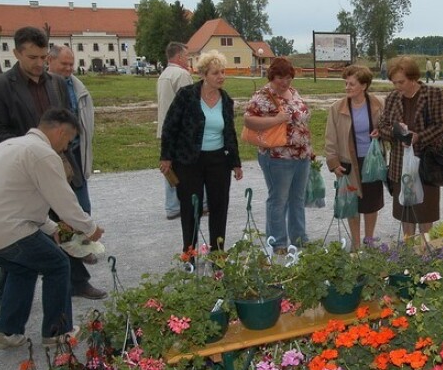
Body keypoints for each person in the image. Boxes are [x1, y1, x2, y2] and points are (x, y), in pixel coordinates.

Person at [0, 109, 104, 349]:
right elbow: (64, 201)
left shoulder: (7, 146)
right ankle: (57, 332)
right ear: (60, 131)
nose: (65, 147)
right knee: (58, 264)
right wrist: (90, 229)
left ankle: (7, 332)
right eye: (68, 141)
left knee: (24, 267)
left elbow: (19, 198)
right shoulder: (43, 154)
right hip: (5, 230)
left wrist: (51, 228)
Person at [0, 26, 62, 309]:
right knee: (19, 240)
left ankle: (72, 282)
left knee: (56, 228)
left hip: (52, 168)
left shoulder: (54, 83)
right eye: (32, 57)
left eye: (43, 56)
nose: (39, 63)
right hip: (21, 175)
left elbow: (61, 124)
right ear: (16, 53)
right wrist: (31, 150)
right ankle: (6, 298)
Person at [160, 50, 243, 252]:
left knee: (219, 207)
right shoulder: (186, 96)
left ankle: (218, 254)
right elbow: (170, 127)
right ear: (204, 74)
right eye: (216, 73)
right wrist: (166, 157)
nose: (221, 77)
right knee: (190, 210)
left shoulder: (226, 100)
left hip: (218, 161)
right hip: (189, 161)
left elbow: (230, 133)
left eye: (223, 72)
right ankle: (189, 253)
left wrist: (236, 163)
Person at [46, 45, 108, 299]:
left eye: (72, 64)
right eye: (64, 64)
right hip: (47, 160)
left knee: (80, 211)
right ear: (51, 61)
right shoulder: (43, 87)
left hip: (74, 157)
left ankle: (78, 273)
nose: (69, 69)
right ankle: (73, 279)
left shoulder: (76, 85)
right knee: (51, 222)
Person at [244, 57, 313, 254]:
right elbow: (248, 121)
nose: (284, 82)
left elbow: (302, 121)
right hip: (277, 156)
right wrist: (275, 120)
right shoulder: (262, 96)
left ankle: (299, 238)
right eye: (280, 78)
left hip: (301, 155)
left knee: (297, 199)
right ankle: (278, 242)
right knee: (278, 199)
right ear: (272, 77)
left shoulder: (293, 92)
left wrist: (308, 147)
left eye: (288, 77)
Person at [378, 56, 443, 237]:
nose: (397, 87)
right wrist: (396, 134)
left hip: (426, 165)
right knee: (405, 213)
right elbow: (382, 127)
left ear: (413, 78)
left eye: (401, 82)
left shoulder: (433, 94)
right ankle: (409, 252)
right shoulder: (392, 98)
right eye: (394, 83)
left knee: (426, 213)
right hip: (400, 166)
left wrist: (419, 137)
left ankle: (427, 251)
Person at [325, 65, 385, 249]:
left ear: (364, 86)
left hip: (372, 163)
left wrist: (381, 132)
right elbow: (330, 138)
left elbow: (389, 127)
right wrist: (334, 164)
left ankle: (369, 239)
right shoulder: (337, 108)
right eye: (346, 83)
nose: (347, 87)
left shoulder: (378, 104)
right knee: (352, 203)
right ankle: (356, 243)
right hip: (348, 162)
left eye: (352, 84)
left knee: (371, 203)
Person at [158, 42, 207, 220]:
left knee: (169, 166)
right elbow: (190, 103)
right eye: (186, 56)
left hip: (166, 128)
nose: (188, 60)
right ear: (179, 57)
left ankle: (171, 206)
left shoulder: (164, 74)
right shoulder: (182, 74)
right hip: (182, 130)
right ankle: (199, 203)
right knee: (193, 166)